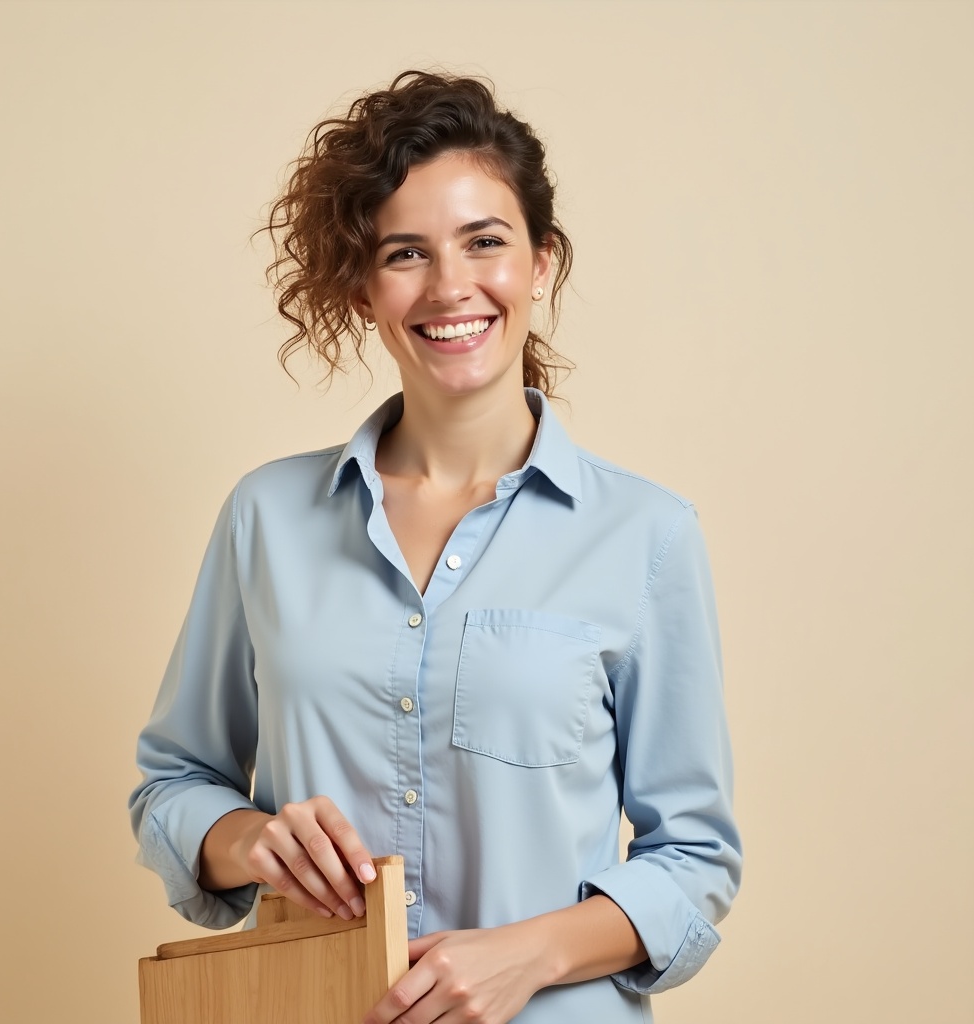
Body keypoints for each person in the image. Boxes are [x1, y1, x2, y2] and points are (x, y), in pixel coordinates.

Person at [129, 70, 742, 1024]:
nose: (451, 286)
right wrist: (249, 841)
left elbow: (695, 861)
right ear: (366, 288)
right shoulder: (267, 517)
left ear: (540, 263)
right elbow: (172, 787)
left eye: (485, 242)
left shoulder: (646, 536)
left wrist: (525, 958)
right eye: (405, 252)